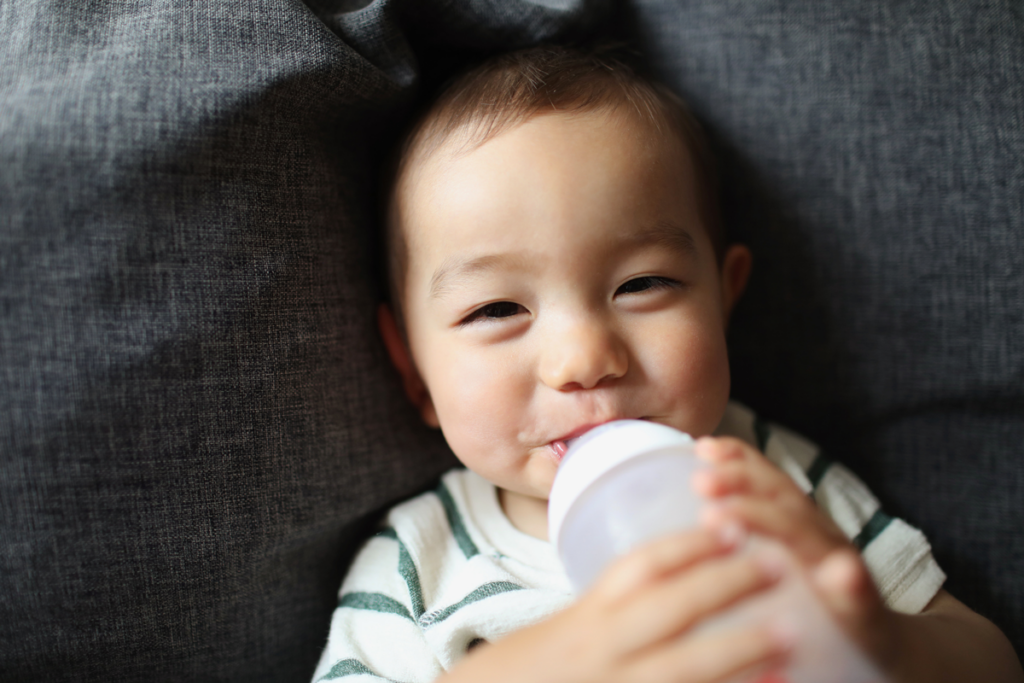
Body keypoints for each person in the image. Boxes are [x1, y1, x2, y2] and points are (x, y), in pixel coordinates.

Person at [312, 45, 1022, 683]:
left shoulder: (768, 483)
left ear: (724, 299)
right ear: (414, 372)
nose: (584, 359)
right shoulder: (417, 566)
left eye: (642, 284)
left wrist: (891, 646)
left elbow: (988, 657)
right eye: (496, 309)